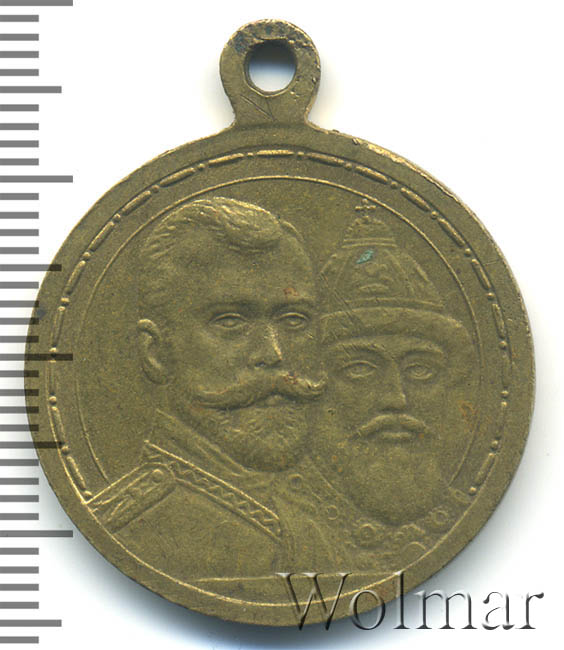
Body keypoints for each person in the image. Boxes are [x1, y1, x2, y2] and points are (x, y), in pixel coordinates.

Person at [88, 196, 328, 582]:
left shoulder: (315, 520)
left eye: (294, 319)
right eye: (231, 321)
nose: (273, 354)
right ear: (156, 352)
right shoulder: (129, 532)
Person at [306, 207, 476, 571]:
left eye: (420, 369)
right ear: (312, 385)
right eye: (359, 369)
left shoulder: (462, 512)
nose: (396, 398)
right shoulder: (265, 530)